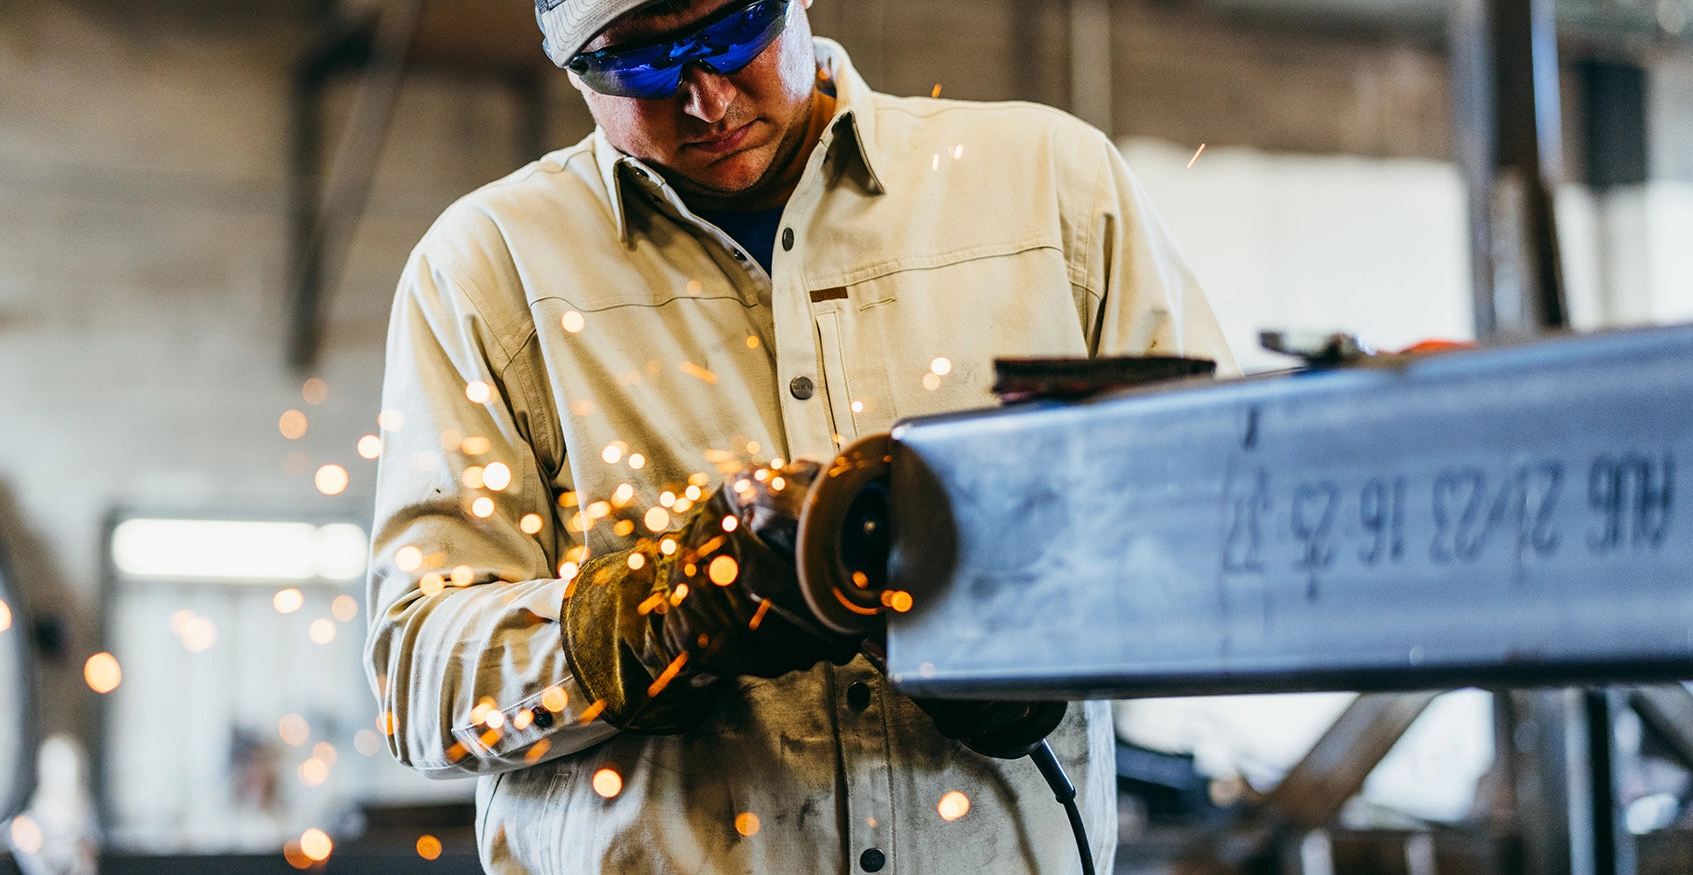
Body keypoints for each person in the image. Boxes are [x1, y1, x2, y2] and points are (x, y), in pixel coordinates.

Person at [364, 0, 1232, 871]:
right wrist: (656, 617)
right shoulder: (489, 267)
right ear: (570, 63)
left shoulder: (1048, 189)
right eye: (641, 67)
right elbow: (417, 677)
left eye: (736, 34)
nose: (707, 99)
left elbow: (1219, 533)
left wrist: (1025, 627)